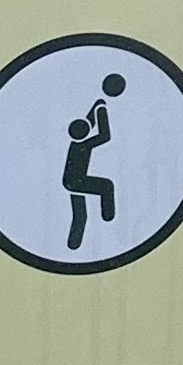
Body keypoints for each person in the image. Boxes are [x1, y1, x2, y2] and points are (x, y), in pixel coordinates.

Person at [62, 71, 125, 252]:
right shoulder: (85, 146)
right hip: (76, 182)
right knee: (106, 186)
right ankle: (109, 217)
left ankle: (73, 245)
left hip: (69, 182)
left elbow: (87, 125)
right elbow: (104, 135)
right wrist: (102, 111)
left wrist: (96, 104)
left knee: (80, 215)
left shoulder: (75, 142)